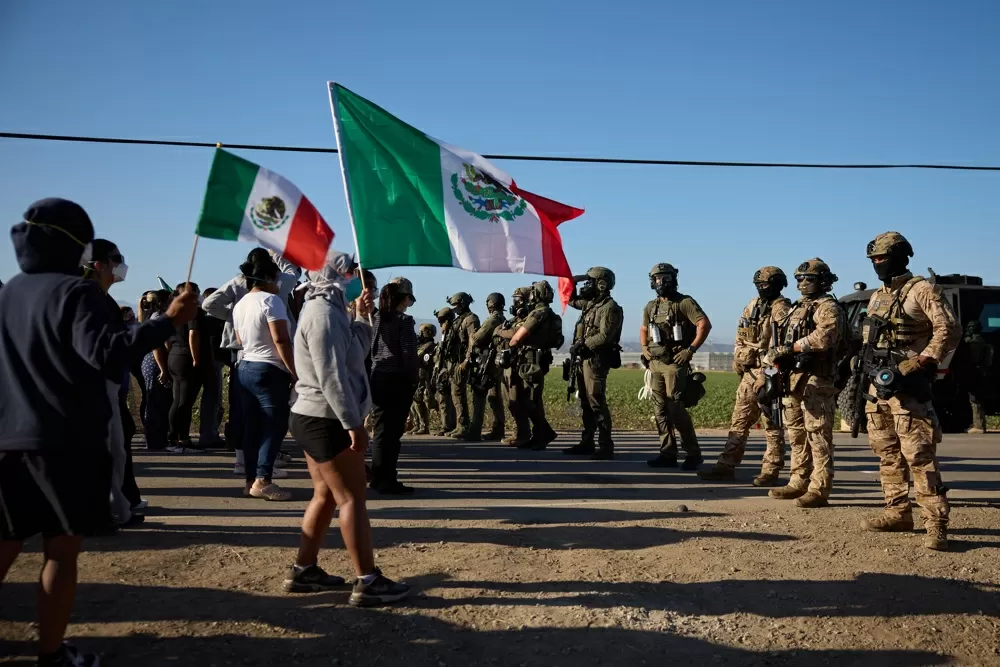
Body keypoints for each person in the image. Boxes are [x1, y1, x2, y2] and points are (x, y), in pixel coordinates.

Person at [0, 198, 197, 667]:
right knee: (60, 551)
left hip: (8, 440)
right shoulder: (78, 293)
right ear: (76, 245)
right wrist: (168, 321)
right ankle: (52, 654)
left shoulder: (9, 292)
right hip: (64, 443)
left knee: (5, 545)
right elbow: (107, 354)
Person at [285, 250, 410, 605]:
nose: (357, 275)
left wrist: (361, 315)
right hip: (325, 417)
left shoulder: (332, 308)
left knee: (325, 495)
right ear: (336, 275)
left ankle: (304, 569)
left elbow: (355, 350)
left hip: (317, 415)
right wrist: (353, 424)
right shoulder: (323, 315)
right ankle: (368, 580)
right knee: (352, 498)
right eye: (351, 270)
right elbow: (332, 377)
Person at [860, 232, 961, 550]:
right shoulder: (878, 296)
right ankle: (898, 513)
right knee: (888, 454)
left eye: (882, 258)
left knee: (919, 455)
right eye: (874, 259)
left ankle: (936, 523)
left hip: (909, 388)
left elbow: (949, 329)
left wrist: (922, 360)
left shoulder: (921, 290)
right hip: (879, 387)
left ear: (900, 257)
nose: (878, 263)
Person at [767, 258, 847, 509]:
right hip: (793, 377)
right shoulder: (796, 308)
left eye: (808, 279)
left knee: (818, 434)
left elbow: (825, 336)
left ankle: (819, 488)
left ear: (822, 281)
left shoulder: (828, 307)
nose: (802, 283)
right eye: (799, 279)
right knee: (796, 434)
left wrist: (792, 348)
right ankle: (798, 480)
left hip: (817, 378)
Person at [701, 267, 790, 485]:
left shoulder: (782, 310)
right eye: (758, 285)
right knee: (739, 422)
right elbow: (740, 336)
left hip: (770, 373)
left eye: (765, 284)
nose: (761, 288)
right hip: (749, 372)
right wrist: (739, 361)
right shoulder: (752, 306)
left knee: (772, 424)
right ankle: (725, 466)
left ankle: (771, 470)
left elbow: (782, 347)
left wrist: (767, 373)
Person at [81, 239, 144, 527]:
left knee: (117, 449)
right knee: (107, 451)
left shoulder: (103, 298)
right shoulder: (88, 298)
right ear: (98, 265)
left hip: (109, 386)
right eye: (116, 258)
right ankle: (104, 511)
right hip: (95, 387)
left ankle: (119, 507)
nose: (122, 264)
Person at [232, 254, 296, 500]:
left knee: (252, 426)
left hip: (246, 366)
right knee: (274, 425)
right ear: (268, 277)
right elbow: (281, 339)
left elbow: (239, 339)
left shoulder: (241, 304)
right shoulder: (271, 300)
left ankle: (251, 480)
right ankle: (263, 480)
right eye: (277, 277)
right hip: (269, 369)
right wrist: (294, 371)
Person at [640, 263, 712, 470]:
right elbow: (644, 328)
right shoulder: (651, 306)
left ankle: (693, 453)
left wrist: (690, 350)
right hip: (655, 364)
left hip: (674, 364)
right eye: (657, 279)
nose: (661, 282)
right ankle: (667, 453)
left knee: (676, 410)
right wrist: (644, 349)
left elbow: (704, 324)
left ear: (674, 280)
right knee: (660, 411)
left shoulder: (684, 302)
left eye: (666, 278)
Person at [563, 267, 624, 460]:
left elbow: (605, 336)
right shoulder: (590, 304)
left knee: (596, 402)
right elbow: (569, 298)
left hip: (596, 360)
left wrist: (583, 344)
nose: (586, 285)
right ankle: (587, 442)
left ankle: (605, 446)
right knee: (585, 402)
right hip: (584, 359)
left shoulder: (609, 307)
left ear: (602, 284)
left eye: (590, 282)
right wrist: (576, 279)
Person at [499, 280, 563, 450]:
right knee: (530, 400)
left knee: (530, 401)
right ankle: (539, 435)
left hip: (529, 362)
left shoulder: (537, 314)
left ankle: (544, 434)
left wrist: (503, 335)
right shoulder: (552, 315)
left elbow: (516, 338)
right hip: (538, 360)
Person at [368, 279, 419, 494]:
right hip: (397, 379)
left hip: (377, 376)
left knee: (381, 431)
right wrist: (413, 378)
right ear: (403, 299)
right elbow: (408, 353)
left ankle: (378, 477)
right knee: (393, 432)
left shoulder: (375, 318)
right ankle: (387, 479)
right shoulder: (404, 321)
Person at [166, 282, 211, 451]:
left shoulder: (173, 311)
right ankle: (182, 439)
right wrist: (196, 359)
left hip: (175, 356)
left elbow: (166, 338)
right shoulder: (193, 311)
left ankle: (173, 437)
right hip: (187, 357)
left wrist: (172, 352)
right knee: (185, 402)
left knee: (177, 400)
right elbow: (193, 334)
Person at [456, 292, 507, 442]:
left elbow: (477, 338)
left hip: (488, 363)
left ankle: (475, 430)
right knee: (494, 397)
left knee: (479, 394)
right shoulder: (502, 318)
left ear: (490, 304)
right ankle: (498, 429)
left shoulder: (493, 319)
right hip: (495, 362)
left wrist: (472, 337)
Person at [496, 287, 532, 447]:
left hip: (520, 363)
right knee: (511, 401)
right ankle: (518, 432)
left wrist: (500, 331)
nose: (515, 302)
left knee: (518, 401)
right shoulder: (514, 319)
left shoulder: (528, 318)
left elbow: (513, 334)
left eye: (518, 299)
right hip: (510, 362)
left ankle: (524, 434)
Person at [139, 290, 174, 452]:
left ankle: (157, 439)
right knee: (155, 401)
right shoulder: (158, 318)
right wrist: (163, 369)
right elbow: (157, 347)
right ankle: (154, 440)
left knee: (158, 401)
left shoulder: (152, 316)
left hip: (153, 362)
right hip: (155, 363)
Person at [444, 293, 479, 437]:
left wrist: (466, 361)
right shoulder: (458, 320)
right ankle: (460, 425)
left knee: (459, 393)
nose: (454, 309)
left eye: (456, 305)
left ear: (463, 304)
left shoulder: (471, 319)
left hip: (462, 362)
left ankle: (464, 425)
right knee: (455, 394)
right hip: (454, 362)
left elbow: (473, 341)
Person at [198, 287, 227, 446]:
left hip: (207, 362)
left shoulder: (202, 319)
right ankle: (209, 434)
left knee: (211, 399)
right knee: (213, 399)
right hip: (214, 362)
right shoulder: (216, 321)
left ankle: (208, 432)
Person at [432, 306, 457, 436]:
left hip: (450, 369)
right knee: (443, 399)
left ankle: (448, 426)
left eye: (442, 320)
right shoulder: (444, 335)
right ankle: (447, 425)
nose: (441, 324)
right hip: (443, 369)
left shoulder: (452, 333)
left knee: (448, 399)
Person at [410, 323, 438, 435]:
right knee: (416, 399)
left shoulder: (429, 345)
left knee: (421, 399)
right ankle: (417, 424)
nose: (420, 334)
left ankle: (424, 426)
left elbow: (417, 357)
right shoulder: (421, 345)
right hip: (418, 374)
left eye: (422, 332)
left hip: (424, 376)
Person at [964, 320, 992, 434]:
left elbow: (973, 358)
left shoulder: (974, 342)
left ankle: (979, 425)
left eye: (971, 327)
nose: (969, 329)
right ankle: (978, 423)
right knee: (977, 399)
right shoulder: (981, 340)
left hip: (975, 372)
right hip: (979, 372)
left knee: (975, 399)